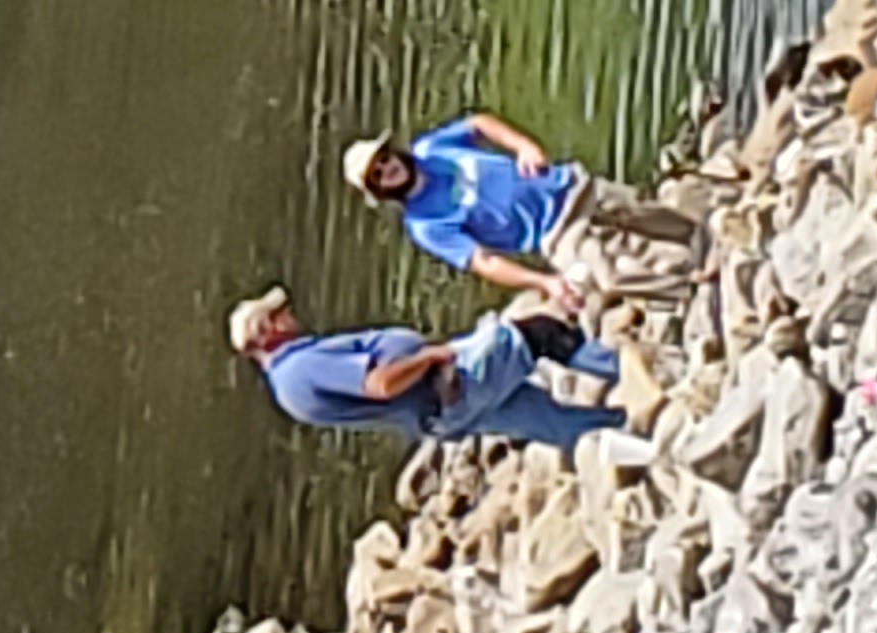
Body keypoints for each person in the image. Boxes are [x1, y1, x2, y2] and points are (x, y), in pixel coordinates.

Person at [226, 287, 624, 456]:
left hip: (438, 415)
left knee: (541, 417)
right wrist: (432, 356)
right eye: (280, 314)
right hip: (449, 387)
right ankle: (632, 375)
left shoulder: (286, 389)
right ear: (269, 330)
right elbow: (379, 384)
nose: (290, 315)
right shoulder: (302, 366)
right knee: (538, 335)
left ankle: (621, 435)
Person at [342, 116, 699, 301]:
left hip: (569, 187)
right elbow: (484, 262)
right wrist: (545, 283)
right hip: (554, 234)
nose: (388, 169)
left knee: (649, 215)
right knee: (608, 278)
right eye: (378, 175)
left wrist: (524, 146)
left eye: (384, 159)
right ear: (380, 189)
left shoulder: (432, 148)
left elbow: (479, 123)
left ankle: (704, 241)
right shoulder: (424, 225)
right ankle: (688, 289)